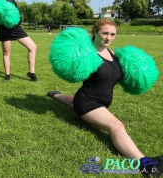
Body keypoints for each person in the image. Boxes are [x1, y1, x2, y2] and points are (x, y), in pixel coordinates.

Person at [47, 18, 163, 175]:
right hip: (87, 101)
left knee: (71, 101)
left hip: (100, 102)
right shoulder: (87, 54)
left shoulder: (112, 53)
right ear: (95, 32)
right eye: (105, 33)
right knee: (116, 126)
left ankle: (56, 95)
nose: (108, 38)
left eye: (113, 34)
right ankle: (145, 164)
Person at [0, 0, 38, 82]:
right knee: (6, 52)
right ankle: (7, 75)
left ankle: (31, 73)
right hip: (4, 27)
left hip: (16, 27)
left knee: (33, 47)